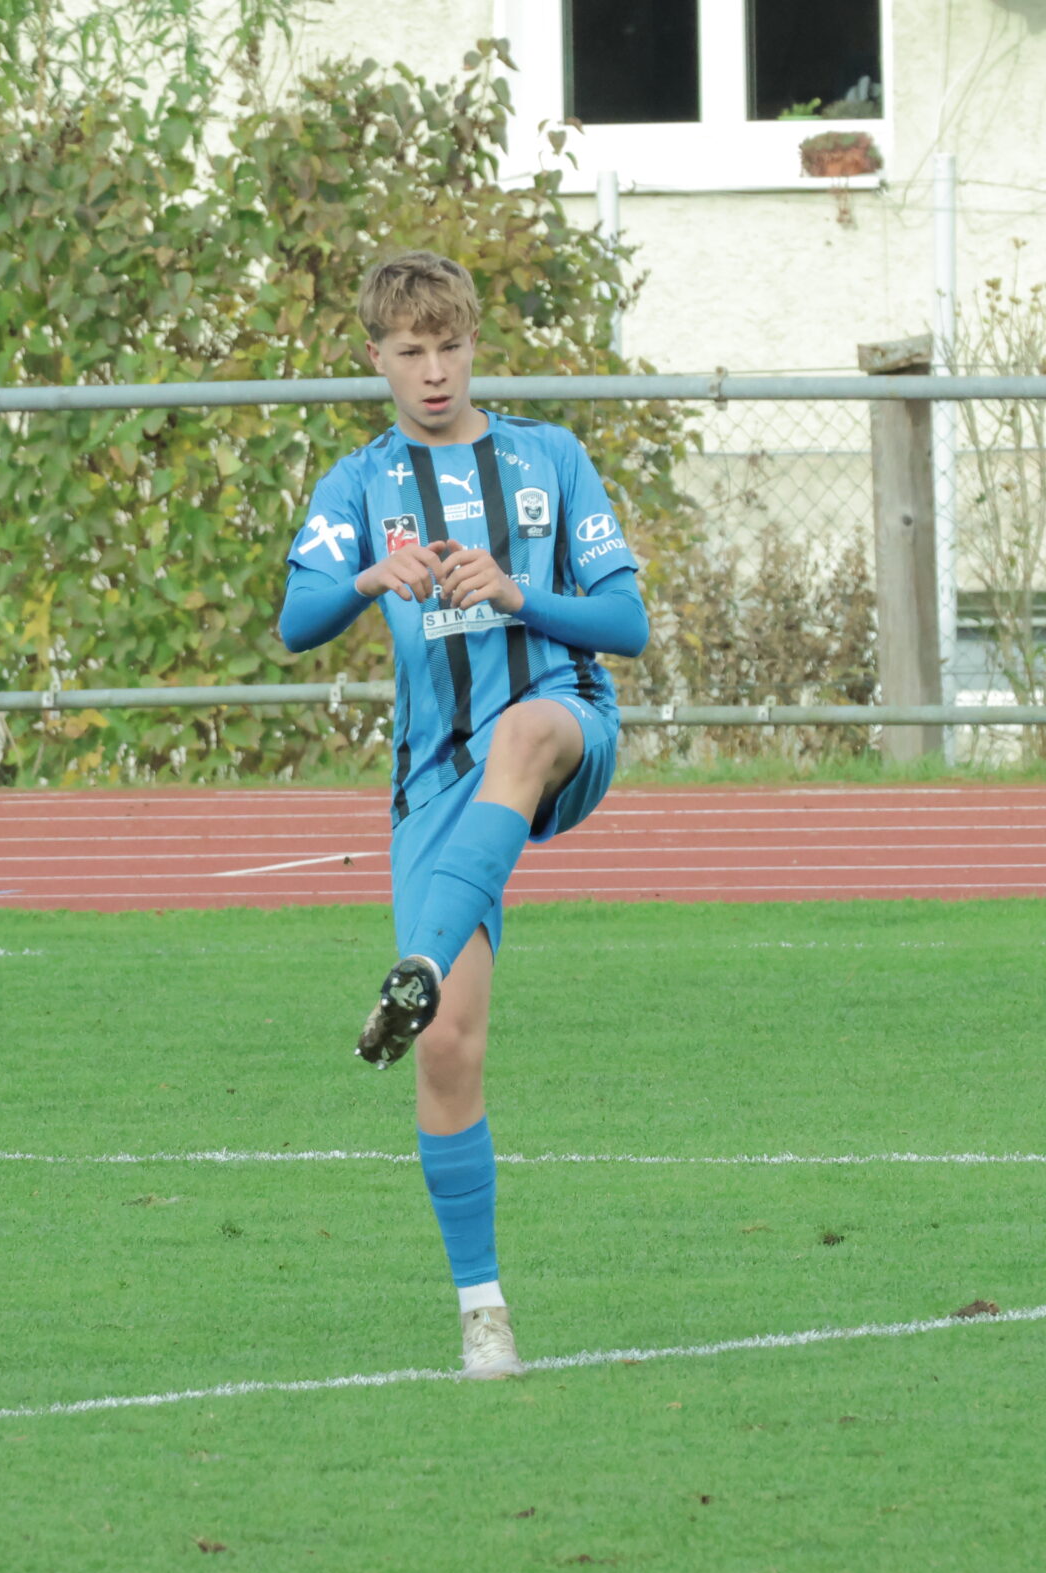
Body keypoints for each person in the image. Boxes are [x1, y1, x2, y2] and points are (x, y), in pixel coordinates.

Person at [278, 250, 649, 1379]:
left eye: (449, 346)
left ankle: (420, 962)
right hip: (436, 780)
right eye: (410, 351)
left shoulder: (550, 459)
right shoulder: (359, 485)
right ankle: (483, 1312)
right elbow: (295, 620)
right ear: (377, 358)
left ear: (473, 344)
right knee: (445, 1047)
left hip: (563, 723)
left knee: (523, 731)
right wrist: (367, 582)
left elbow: (628, 625)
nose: (433, 370)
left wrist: (517, 592)